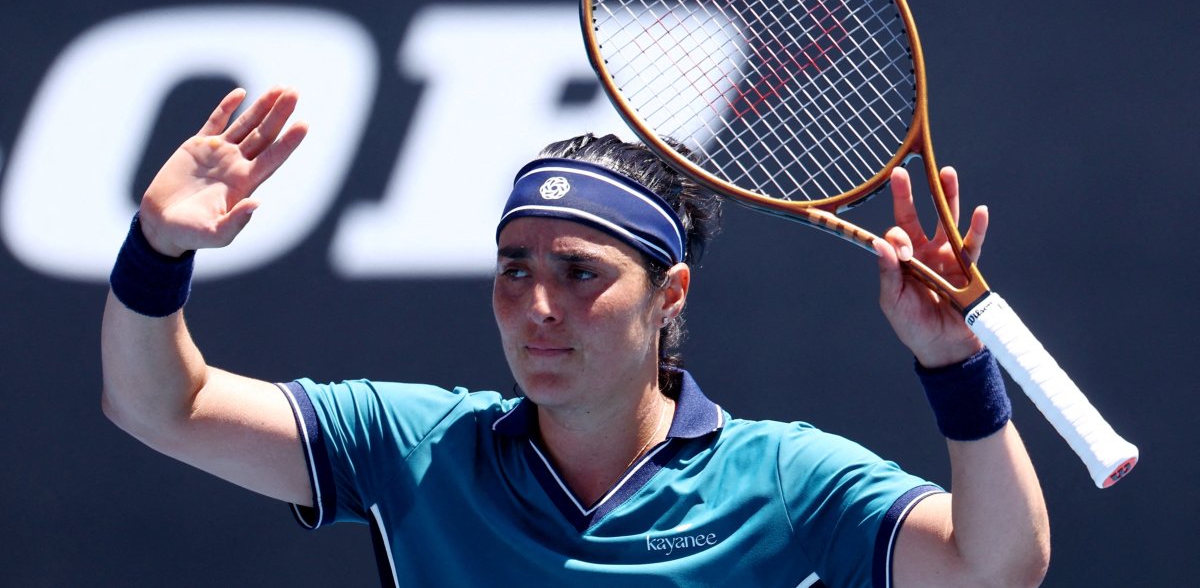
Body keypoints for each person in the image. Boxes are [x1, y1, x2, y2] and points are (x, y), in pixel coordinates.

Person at [101, 87, 1050, 587]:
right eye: (516, 268)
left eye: (581, 273)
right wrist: (157, 250)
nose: (538, 306)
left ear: (669, 294)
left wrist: (956, 369)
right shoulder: (413, 450)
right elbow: (161, 406)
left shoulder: (790, 484)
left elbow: (994, 567)